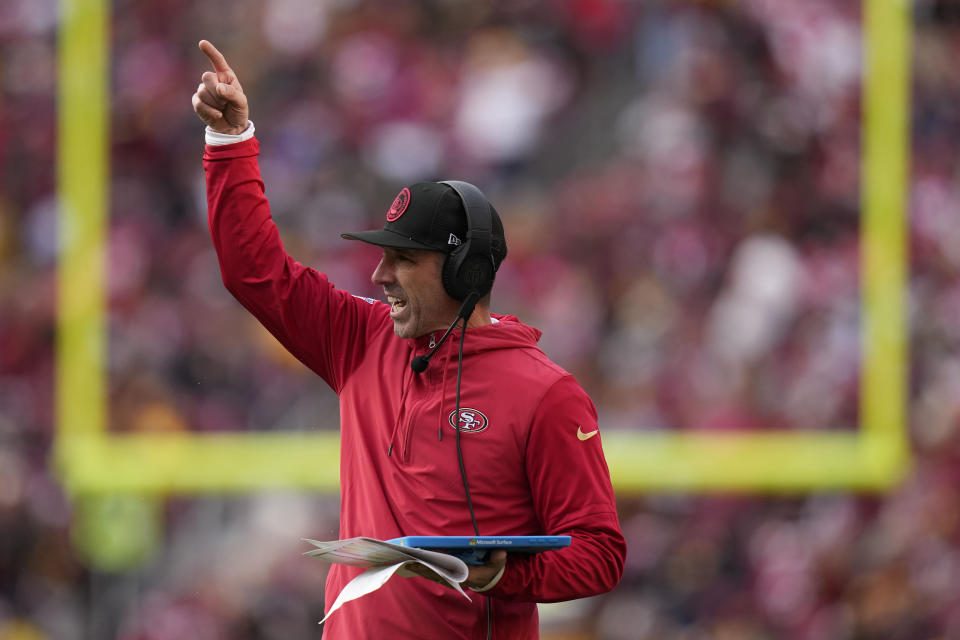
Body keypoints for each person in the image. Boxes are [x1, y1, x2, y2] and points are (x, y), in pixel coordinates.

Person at [192, 39, 625, 639]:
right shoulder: (360, 339)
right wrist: (232, 142)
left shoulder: (546, 395)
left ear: (463, 271)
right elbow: (254, 272)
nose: (378, 276)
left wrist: (505, 576)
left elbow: (600, 553)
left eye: (403, 260)